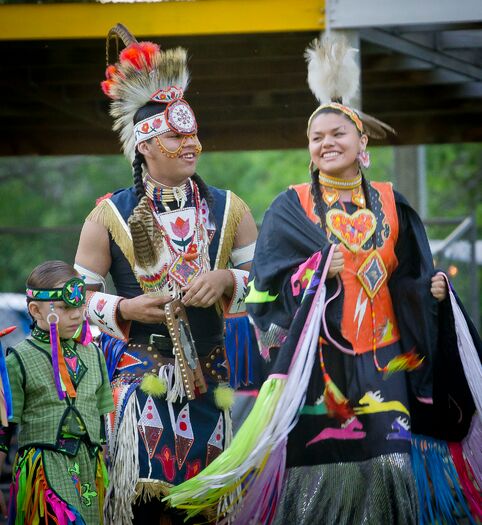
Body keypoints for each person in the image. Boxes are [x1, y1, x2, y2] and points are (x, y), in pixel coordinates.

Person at [165, 34, 481, 525]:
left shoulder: (393, 202)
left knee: (390, 465)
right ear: (309, 151)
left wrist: (434, 292)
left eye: (338, 134)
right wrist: (311, 273)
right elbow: (262, 288)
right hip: (321, 368)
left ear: (362, 143)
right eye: (317, 138)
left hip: (386, 359)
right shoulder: (290, 207)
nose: (327, 143)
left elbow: (413, 276)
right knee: (322, 476)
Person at [74, 25, 257, 524]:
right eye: (177, 135)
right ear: (145, 147)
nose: (191, 143)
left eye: (193, 132)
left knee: (207, 507)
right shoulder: (108, 214)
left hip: (212, 381)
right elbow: (73, 299)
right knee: (146, 508)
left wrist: (226, 283)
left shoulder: (230, 208)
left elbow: (268, 284)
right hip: (140, 379)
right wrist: (124, 308)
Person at [0, 260, 114, 524]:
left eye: (79, 306)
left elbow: (103, 419)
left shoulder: (95, 355)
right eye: (64, 307)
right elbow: (4, 429)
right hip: (43, 469)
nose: (76, 314)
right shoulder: (18, 358)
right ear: (36, 310)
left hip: (89, 469)